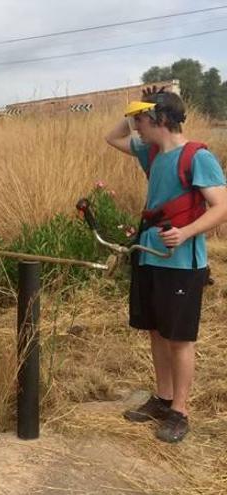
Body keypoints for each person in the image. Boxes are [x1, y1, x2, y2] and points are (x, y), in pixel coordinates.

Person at [105, 87, 227, 443]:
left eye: (141, 120)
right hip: (149, 254)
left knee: (179, 338)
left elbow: (221, 206)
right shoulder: (151, 152)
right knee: (156, 331)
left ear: (159, 119)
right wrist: (135, 107)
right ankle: (162, 399)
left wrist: (187, 231)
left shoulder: (197, 157)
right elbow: (111, 137)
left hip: (181, 263)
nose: (136, 127)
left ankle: (180, 411)